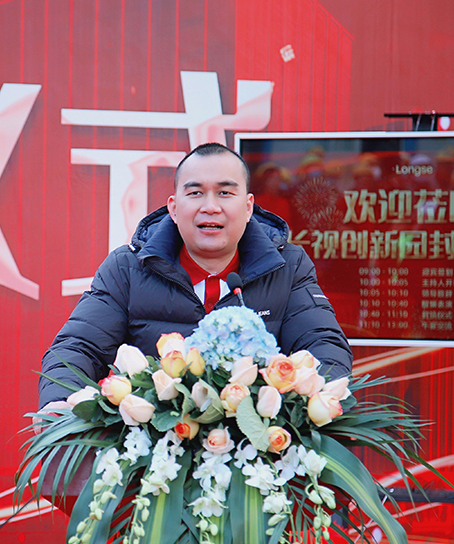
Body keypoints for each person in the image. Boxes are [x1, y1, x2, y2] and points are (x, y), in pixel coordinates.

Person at [39, 142, 352, 408]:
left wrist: (317, 404)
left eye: (225, 193)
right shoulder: (127, 268)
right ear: (174, 208)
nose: (210, 207)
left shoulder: (288, 266)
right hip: (153, 445)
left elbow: (322, 343)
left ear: (248, 207)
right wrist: (60, 402)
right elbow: (78, 347)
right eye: (196, 193)